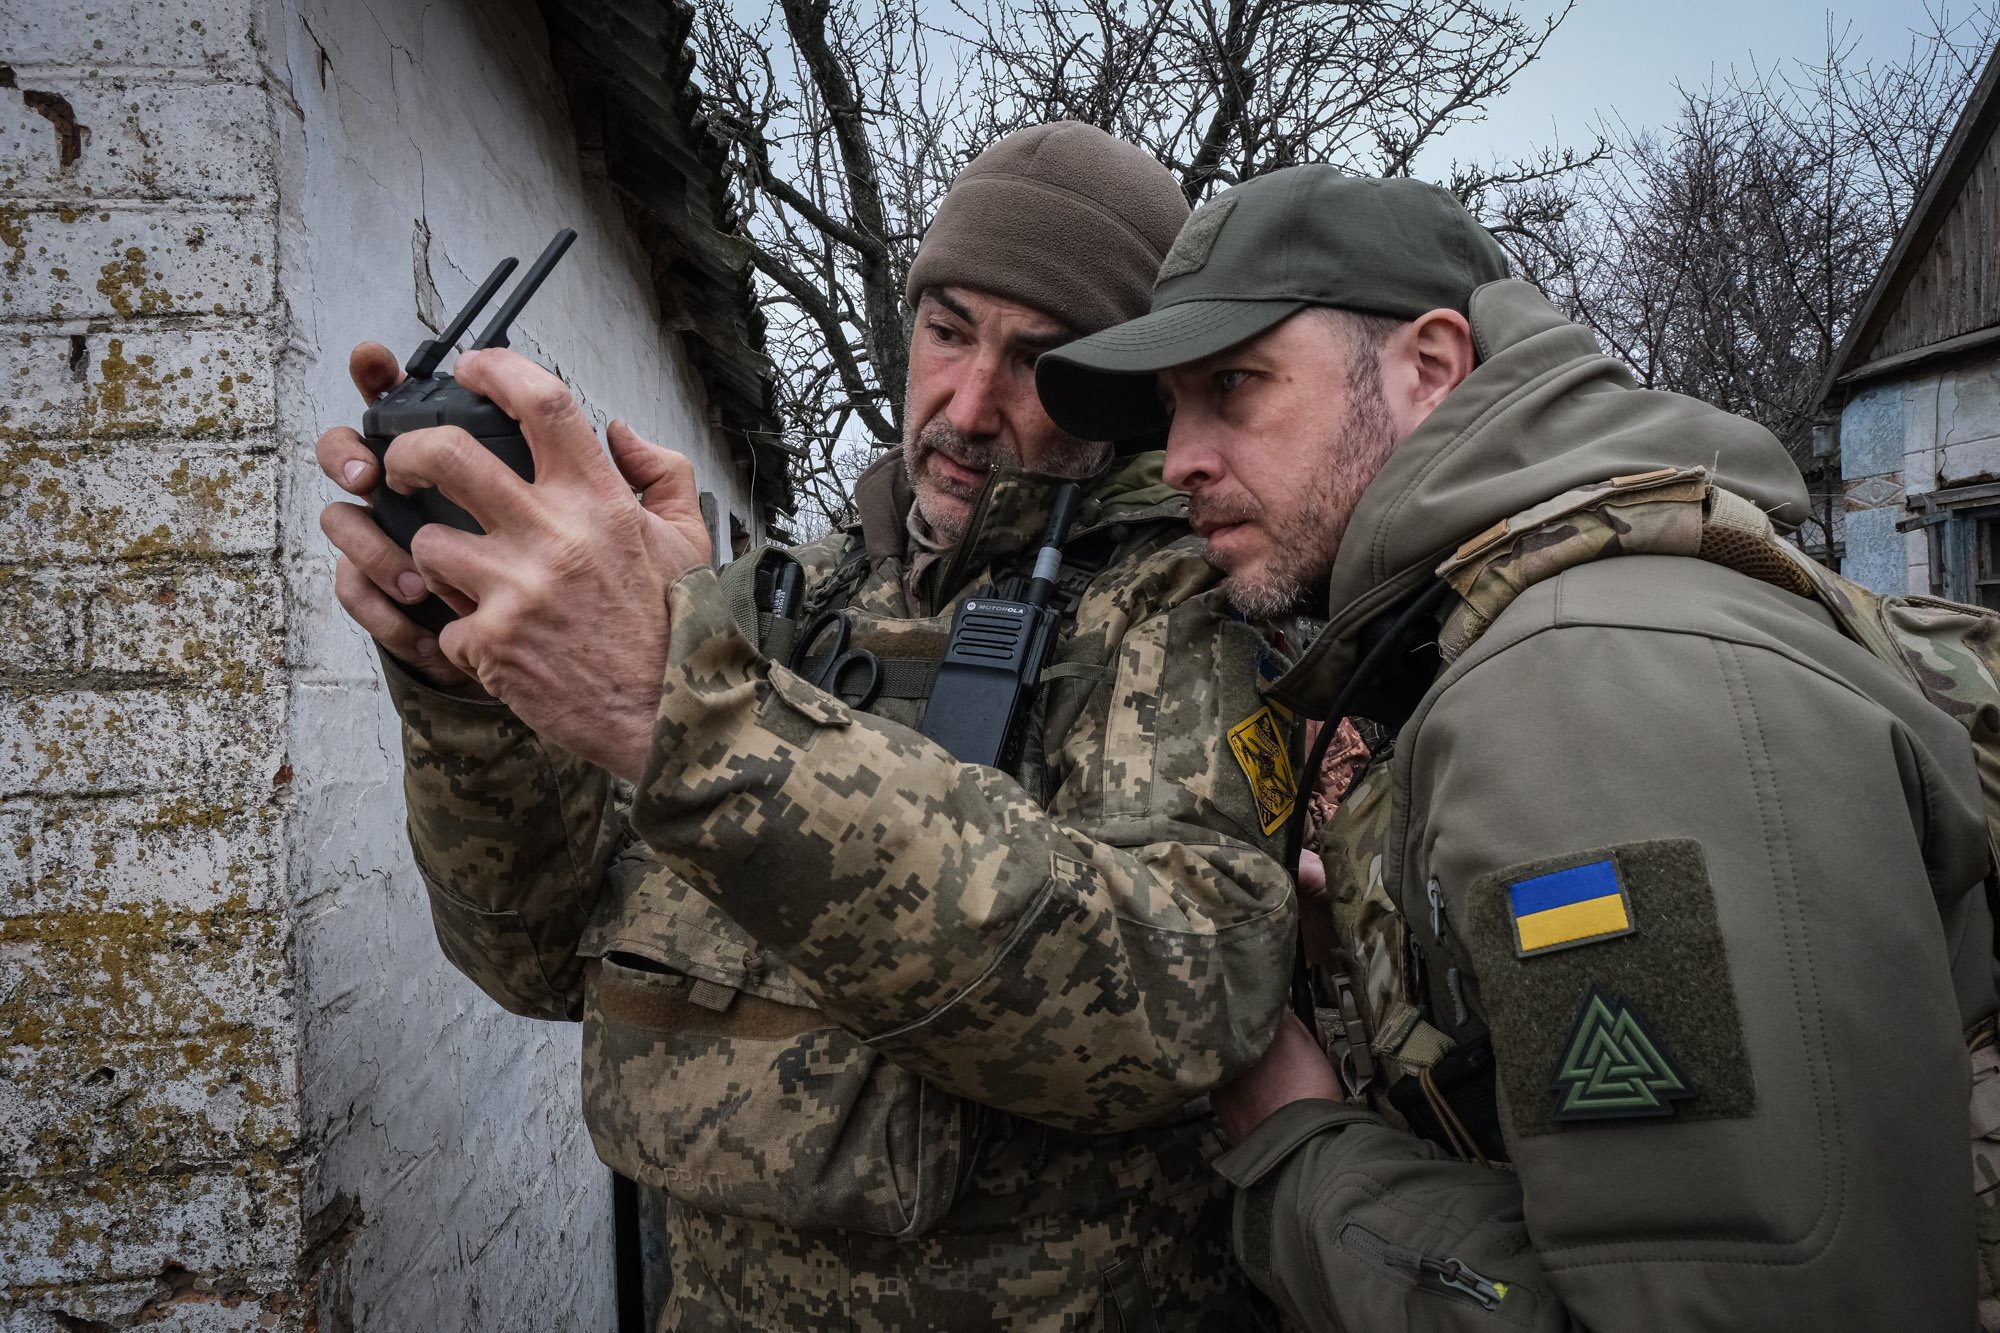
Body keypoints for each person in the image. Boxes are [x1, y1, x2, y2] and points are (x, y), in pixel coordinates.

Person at [314, 122, 1302, 1329]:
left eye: (1041, 361)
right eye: (947, 333)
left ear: (1119, 397)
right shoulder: (788, 593)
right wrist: (468, 690)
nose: (970, 406)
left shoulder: (1173, 607)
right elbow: (530, 953)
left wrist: (688, 720)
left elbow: (1185, 997)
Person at [1032, 166, 1999, 1330]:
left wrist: (1299, 1150)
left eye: (1233, 386)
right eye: (1172, 406)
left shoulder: (1590, 680)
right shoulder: (1536, 621)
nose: (1180, 454)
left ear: (1429, 370)